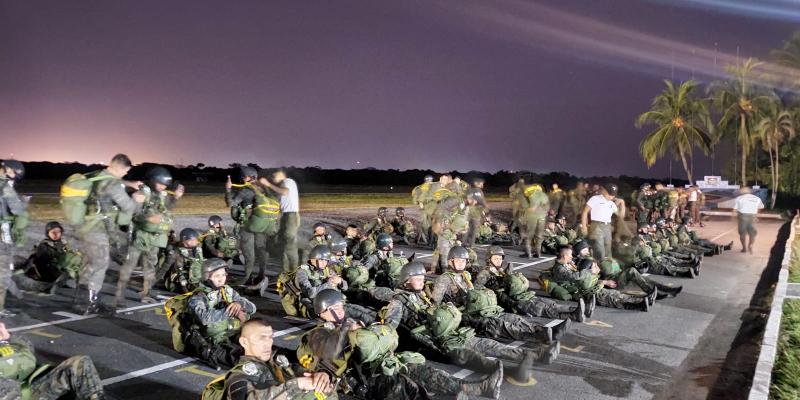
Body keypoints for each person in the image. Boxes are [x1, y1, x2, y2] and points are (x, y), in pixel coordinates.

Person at [298, 289, 502, 399]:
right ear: (322, 312)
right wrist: (348, 330)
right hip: (361, 379)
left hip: (382, 363)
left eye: (341, 306)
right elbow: (331, 351)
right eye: (333, 308)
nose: (340, 311)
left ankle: (481, 388)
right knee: (407, 388)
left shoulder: (350, 322)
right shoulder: (316, 334)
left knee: (425, 372)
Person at [383, 263, 555, 383]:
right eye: (418, 279)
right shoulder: (397, 303)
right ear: (406, 281)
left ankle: (533, 355)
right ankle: (511, 371)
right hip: (431, 342)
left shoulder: (420, 295)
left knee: (486, 344)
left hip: (448, 333)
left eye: (422, 278)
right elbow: (390, 329)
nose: (422, 281)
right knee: (471, 357)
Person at [69, 154, 144, 315]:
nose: (125, 175)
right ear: (120, 167)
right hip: (97, 229)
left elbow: (109, 183)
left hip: (82, 226)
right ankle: (91, 303)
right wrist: (137, 200)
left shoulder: (94, 175)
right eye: (125, 172)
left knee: (87, 263)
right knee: (100, 264)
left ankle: (79, 300)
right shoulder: (113, 184)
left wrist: (128, 183)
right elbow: (128, 208)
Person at [209, 319, 335, 400]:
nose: (268, 343)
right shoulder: (239, 374)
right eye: (261, 338)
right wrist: (298, 384)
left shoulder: (277, 362)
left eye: (270, 337)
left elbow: (301, 372)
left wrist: (321, 376)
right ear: (244, 342)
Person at [115, 166, 183, 306]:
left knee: (150, 267)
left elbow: (167, 210)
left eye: (165, 185)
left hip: (156, 237)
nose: (164, 187)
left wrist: (175, 198)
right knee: (129, 265)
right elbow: (134, 214)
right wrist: (147, 218)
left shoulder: (162, 195)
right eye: (161, 183)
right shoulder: (142, 193)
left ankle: (146, 293)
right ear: (152, 181)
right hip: (142, 236)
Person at [183, 258, 257, 369]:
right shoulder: (198, 296)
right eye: (217, 276)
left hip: (233, 333)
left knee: (260, 349)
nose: (221, 279)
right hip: (214, 340)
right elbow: (204, 318)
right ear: (207, 277)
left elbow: (253, 308)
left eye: (223, 275)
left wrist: (240, 304)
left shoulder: (228, 291)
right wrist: (230, 311)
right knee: (239, 361)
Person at [0, 322, 106, 399]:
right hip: (13, 394)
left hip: (32, 387)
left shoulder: (4, 340)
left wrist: (9, 337)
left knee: (80, 363)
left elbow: (29, 351)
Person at [226, 166, 280, 287]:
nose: (242, 179)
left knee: (249, 253)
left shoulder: (245, 191)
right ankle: (261, 274)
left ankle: (247, 277)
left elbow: (230, 203)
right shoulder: (263, 189)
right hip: (264, 225)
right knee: (262, 250)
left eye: (243, 177)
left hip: (248, 225)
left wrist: (228, 189)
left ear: (247, 177)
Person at [13, 221, 82, 294]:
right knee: (66, 273)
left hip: (59, 269)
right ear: (48, 233)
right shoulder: (45, 246)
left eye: (58, 231)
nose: (56, 234)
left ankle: (71, 284)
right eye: (53, 232)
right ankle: (55, 288)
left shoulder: (63, 243)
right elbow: (42, 264)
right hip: (47, 274)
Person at [0, 160, 28, 317]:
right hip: (2, 236)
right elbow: (17, 210)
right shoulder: (5, 187)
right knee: (3, 273)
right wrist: (24, 202)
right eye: (13, 175)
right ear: (7, 169)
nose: (13, 179)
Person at [258, 170, 300, 273]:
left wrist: (268, 184)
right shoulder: (282, 186)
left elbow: (284, 191)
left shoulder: (287, 181)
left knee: (290, 244)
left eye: (274, 176)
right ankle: (286, 271)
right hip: (286, 215)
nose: (273, 179)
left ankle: (294, 271)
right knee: (284, 244)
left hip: (291, 215)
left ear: (282, 175)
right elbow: (277, 199)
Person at [581, 183, 619, 260]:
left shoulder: (612, 203)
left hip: (607, 226)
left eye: (613, 195)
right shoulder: (595, 199)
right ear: (604, 191)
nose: (611, 196)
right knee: (599, 248)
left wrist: (621, 203)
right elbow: (585, 212)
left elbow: (619, 214)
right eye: (610, 194)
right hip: (596, 225)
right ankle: (597, 267)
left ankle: (607, 267)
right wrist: (584, 226)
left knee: (608, 247)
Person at [161, 228, 205, 293]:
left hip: (196, 277)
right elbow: (177, 268)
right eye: (191, 240)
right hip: (180, 278)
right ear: (184, 240)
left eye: (195, 240)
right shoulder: (176, 251)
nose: (195, 242)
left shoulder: (198, 250)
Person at [733, 187, 764, 254]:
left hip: (743, 217)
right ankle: (751, 245)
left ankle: (744, 248)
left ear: (742, 191)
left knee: (742, 234)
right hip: (753, 217)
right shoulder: (756, 198)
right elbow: (760, 207)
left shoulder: (739, 198)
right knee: (752, 234)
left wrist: (732, 218)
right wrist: (755, 215)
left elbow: (735, 209)